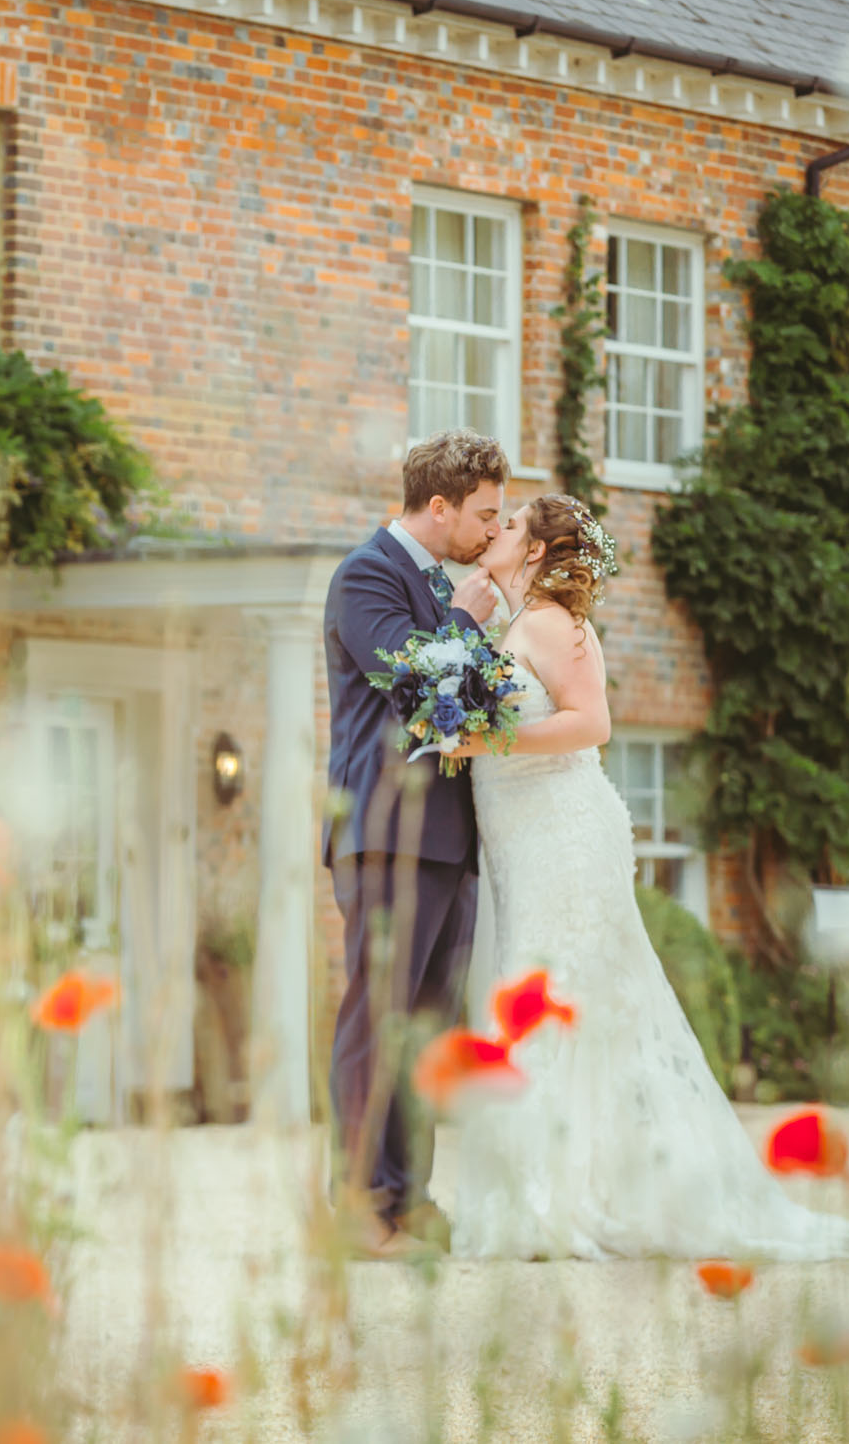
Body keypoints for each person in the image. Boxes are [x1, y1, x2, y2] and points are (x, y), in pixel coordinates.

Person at [442, 493, 849, 1260]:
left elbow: (593, 723)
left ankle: (566, 1199)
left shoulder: (553, 624)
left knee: (561, 996)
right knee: (538, 994)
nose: (496, 531)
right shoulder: (510, 625)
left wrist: (489, 738)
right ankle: (552, 1190)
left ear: (540, 551)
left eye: (510, 524)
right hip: (522, 840)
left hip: (563, 835)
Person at [321, 429, 510, 1259]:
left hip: (447, 839)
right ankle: (359, 1203)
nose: (494, 535)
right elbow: (414, 685)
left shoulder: (439, 580)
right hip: (386, 833)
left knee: (427, 1030)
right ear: (439, 507)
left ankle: (411, 1198)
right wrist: (468, 619)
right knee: (378, 1016)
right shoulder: (366, 576)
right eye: (485, 517)